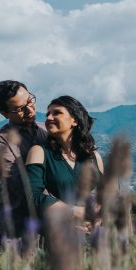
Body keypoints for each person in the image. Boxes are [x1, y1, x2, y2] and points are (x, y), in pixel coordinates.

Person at [25, 95, 104, 231]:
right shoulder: (39, 152)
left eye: (57, 113)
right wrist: (76, 212)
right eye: (48, 114)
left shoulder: (94, 157)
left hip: (97, 233)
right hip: (60, 231)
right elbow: (32, 197)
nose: (49, 118)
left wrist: (97, 219)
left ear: (74, 121)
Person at [0, 80, 49, 241]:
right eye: (20, 109)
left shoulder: (49, 129)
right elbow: (22, 186)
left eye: (30, 101)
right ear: (4, 113)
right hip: (20, 232)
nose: (30, 110)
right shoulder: (0, 141)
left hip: (57, 225)